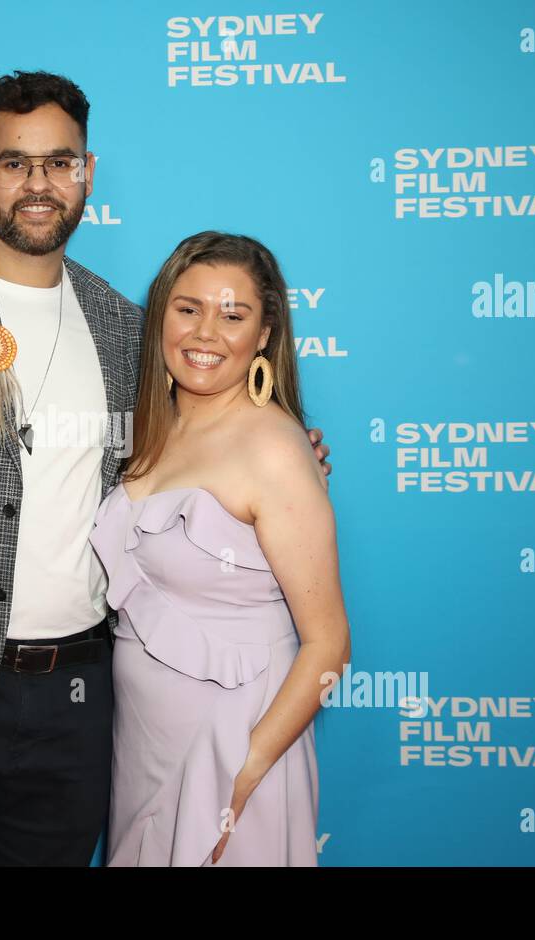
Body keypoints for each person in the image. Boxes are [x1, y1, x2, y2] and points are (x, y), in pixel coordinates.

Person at [0, 70, 332, 866]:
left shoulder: (127, 329)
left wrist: (294, 458)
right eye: (14, 163)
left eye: (59, 162)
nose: (38, 185)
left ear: (87, 174)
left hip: (79, 704)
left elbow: (203, 455)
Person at [89, 231, 351, 866]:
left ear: (264, 335)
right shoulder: (148, 426)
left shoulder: (275, 449)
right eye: (188, 309)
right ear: (161, 316)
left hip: (233, 743)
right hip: (144, 738)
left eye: (233, 316)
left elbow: (330, 645)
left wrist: (245, 767)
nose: (206, 333)